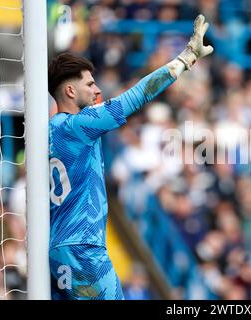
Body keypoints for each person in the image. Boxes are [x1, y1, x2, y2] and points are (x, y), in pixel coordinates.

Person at [48, 15, 213, 300]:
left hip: (57, 249)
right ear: (70, 90)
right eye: (89, 84)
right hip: (84, 246)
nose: (97, 90)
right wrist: (186, 58)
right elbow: (135, 97)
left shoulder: (48, 132)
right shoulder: (79, 126)